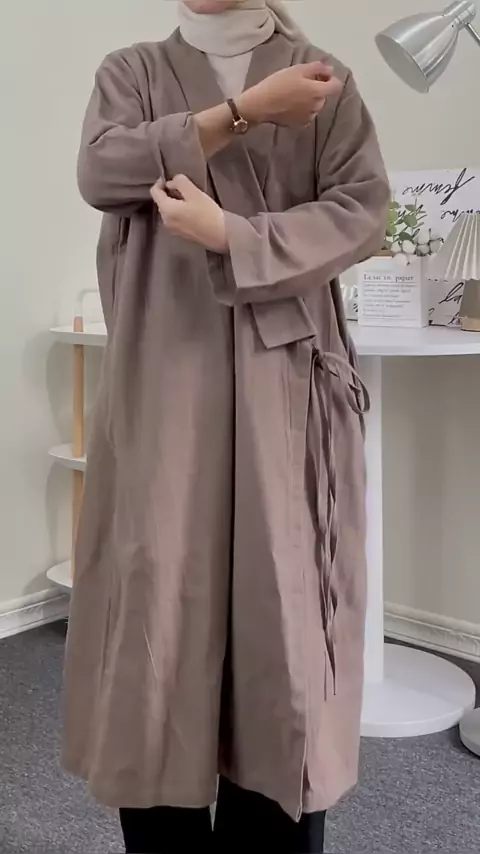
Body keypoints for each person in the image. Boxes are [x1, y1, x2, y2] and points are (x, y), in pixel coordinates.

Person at [62, 1, 389, 852]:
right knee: (160, 601)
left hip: (287, 381)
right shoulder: (132, 71)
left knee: (282, 616)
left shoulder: (322, 78)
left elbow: (364, 208)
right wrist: (242, 113)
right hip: (166, 375)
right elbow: (102, 171)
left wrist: (233, 235)